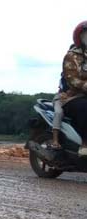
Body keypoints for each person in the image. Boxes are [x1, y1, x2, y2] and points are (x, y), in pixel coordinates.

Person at [58, 21, 87, 156]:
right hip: (72, 96)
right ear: (79, 37)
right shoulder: (72, 56)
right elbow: (72, 79)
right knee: (84, 107)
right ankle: (85, 143)